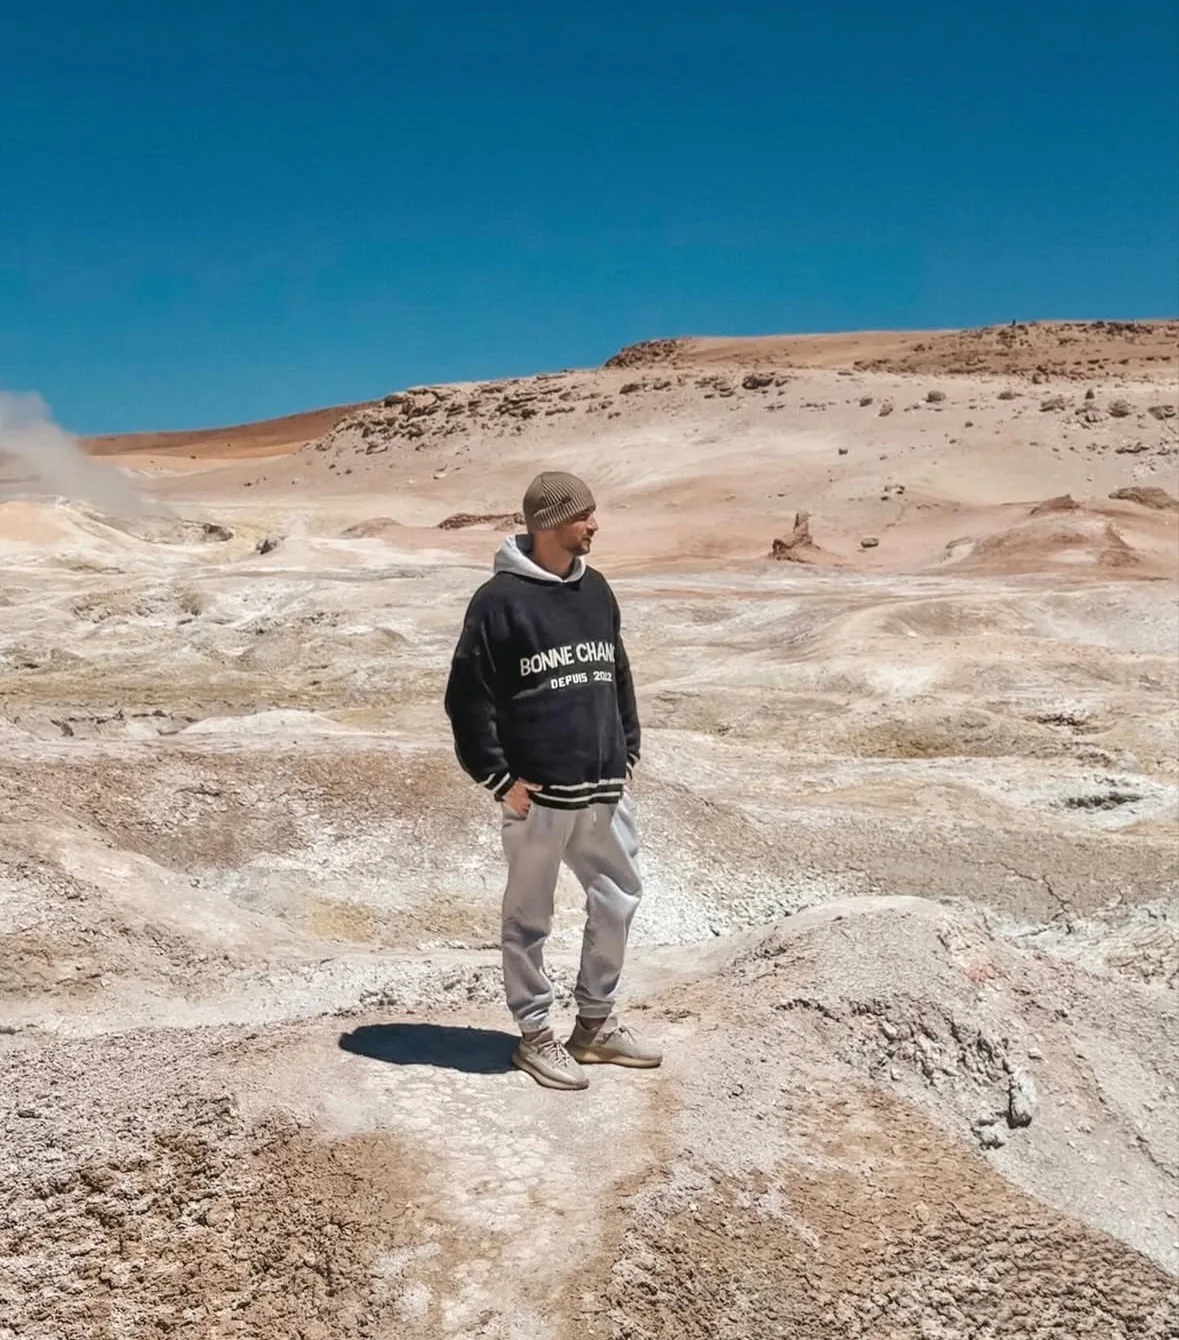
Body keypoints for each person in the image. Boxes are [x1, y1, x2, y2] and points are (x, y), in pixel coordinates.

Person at [445, 471, 661, 1090]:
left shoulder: (597, 590)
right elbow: (467, 698)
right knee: (529, 917)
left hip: (602, 788)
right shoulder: (498, 602)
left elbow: (616, 672)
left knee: (618, 898)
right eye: (583, 515)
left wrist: (627, 746)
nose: (595, 525)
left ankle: (593, 1026)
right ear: (550, 523)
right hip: (537, 795)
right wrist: (498, 777)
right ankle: (536, 1034)